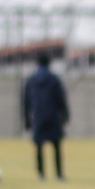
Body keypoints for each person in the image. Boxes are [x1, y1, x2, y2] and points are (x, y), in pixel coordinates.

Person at [22, 53, 69, 181]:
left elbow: (25, 102)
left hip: (38, 117)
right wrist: (65, 116)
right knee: (56, 146)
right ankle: (59, 174)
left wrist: (26, 120)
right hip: (53, 116)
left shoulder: (31, 80)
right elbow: (61, 99)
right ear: (49, 63)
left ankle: (41, 174)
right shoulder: (54, 80)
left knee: (38, 146)